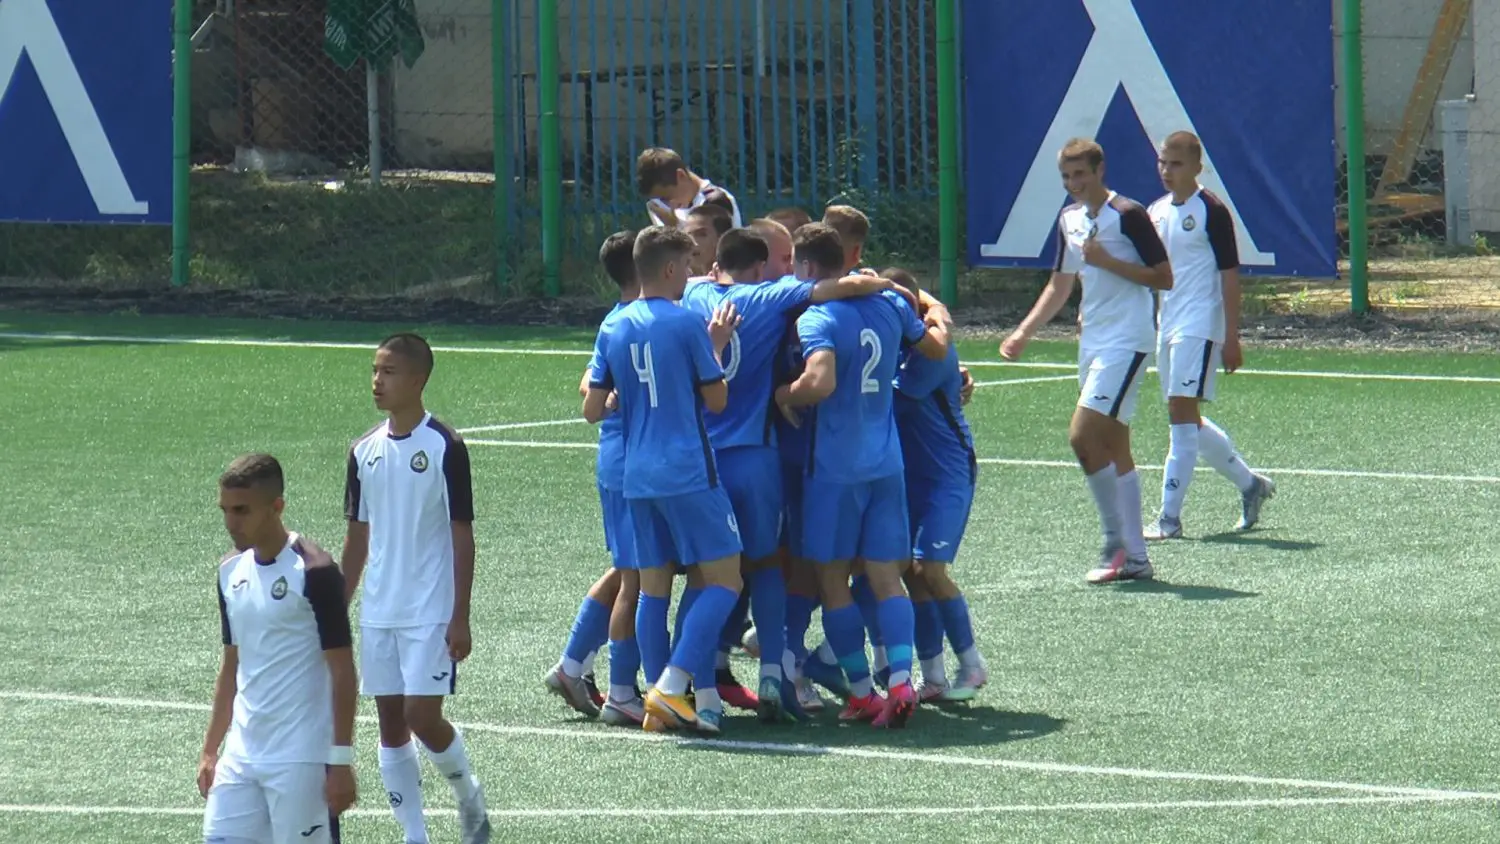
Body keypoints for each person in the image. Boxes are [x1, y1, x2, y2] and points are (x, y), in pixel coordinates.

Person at [680, 227, 920, 722]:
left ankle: (693, 689)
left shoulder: (693, 296)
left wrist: (783, 394)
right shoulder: (779, 299)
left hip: (710, 459)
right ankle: (806, 674)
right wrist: (886, 284)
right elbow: (926, 345)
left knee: (703, 577)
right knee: (787, 566)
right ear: (759, 266)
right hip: (820, 460)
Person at [774, 223, 949, 728]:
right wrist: (936, 312)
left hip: (835, 467)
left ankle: (860, 692)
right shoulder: (890, 304)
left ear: (808, 267)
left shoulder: (817, 317)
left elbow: (820, 381)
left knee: (832, 579)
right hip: (886, 462)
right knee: (886, 576)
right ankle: (901, 681)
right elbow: (932, 349)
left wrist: (785, 395)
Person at [582, 226, 745, 734]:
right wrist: (714, 351)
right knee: (726, 580)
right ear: (671, 269)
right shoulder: (687, 322)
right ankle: (672, 686)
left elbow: (592, 408)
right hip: (688, 469)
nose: (691, 273)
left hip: (636, 474)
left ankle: (656, 697)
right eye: (688, 264)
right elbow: (716, 399)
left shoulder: (614, 325)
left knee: (652, 588)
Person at [1000, 138, 1173, 585]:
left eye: (1080, 173)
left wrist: (1107, 261)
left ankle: (1115, 542)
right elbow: (1060, 284)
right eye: (1066, 176)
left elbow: (1164, 277)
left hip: (1128, 340)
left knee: (1082, 436)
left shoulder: (1129, 214)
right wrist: (1024, 332)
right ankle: (1137, 560)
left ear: (1099, 170)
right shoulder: (1069, 219)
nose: (1073, 183)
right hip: (1092, 341)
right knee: (1115, 447)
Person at [341, 334, 490, 844]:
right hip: (379, 609)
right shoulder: (362, 451)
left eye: (389, 372)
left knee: (421, 715)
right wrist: (337, 609)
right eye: (374, 370)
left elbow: (462, 533)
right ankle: (414, 836)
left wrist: (461, 614)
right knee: (390, 724)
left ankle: (469, 796)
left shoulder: (445, 446)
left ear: (418, 380)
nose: (377, 381)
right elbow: (357, 540)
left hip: (430, 607)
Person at [199, 453, 356, 844]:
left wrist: (340, 760)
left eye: (242, 510)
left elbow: (343, 671)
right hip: (241, 755)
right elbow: (232, 664)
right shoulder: (229, 571)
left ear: (276, 506)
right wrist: (211, 749)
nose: (230, 522)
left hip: (300, 758)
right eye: (225, 510)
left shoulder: (315, 572)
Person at [1147, 131, 1276, 539]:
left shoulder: (1212, 211)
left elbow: (1229, 277)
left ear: (1197, 167)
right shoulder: (1155, 211)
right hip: (1167, 326)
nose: (1167, 170)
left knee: (1181, 419)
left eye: (1176, 164)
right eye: (1163, 162)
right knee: (1186, 418)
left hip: (1199, 325)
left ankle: (1169, 519)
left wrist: (1231, 336)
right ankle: (1251, 485)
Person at [546, 231, 646, 727]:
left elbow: (589, 380)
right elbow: (591, 388)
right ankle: (622, 688)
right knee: (638, 576)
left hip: (626, 460)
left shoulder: (619, 318)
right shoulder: (630, 321)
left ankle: (572, 665)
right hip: (632, 462)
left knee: (633, 570)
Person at [884, 268, 988, 703]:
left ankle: (972, 664)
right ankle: (933, 676)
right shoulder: (904, 340)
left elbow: (888, 401)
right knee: (910, 572)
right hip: (912, 473)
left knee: (931, 569)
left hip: (948, 473)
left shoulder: (930, 353)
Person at [636, 147, 742, 229]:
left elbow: (708, 248)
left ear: (681, 176)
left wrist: (674, 227)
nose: (666, 205)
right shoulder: (673, 209)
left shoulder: (715, 201)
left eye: (666, 198)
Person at [684, 204, 734, 277]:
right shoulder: (680, 281)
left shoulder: (741, 280)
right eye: (687, 235)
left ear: (722, 238)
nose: (692, 242)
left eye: (702, 234)